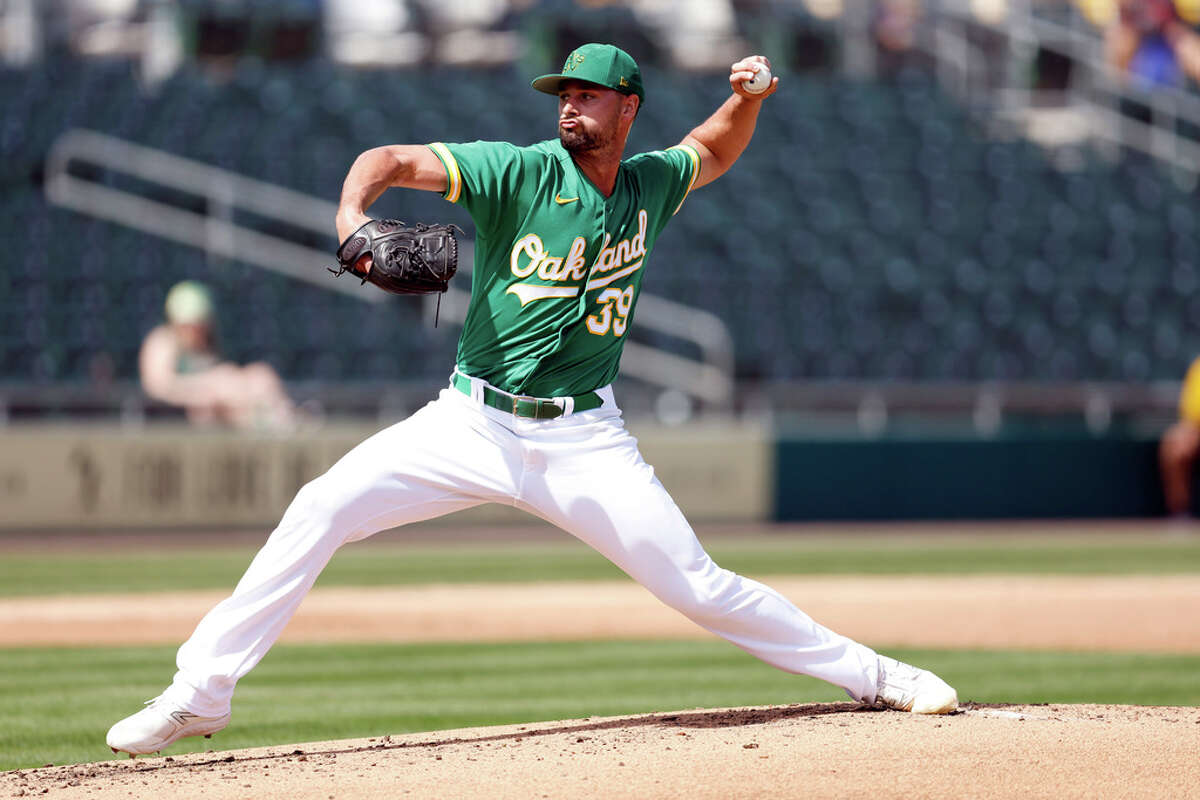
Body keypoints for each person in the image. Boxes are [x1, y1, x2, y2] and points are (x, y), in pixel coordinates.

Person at [106, 43, 958, 757]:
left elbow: (715, 147)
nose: (569, 107)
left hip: (585, 438)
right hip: (469, 420)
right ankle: (201, 692)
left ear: (628, 109)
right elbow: (393, 161)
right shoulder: (515, 172)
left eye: (588, 96)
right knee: (320, 505)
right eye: (564, 94)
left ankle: (878, 676)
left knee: (699, 586)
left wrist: (755, 96)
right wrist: (349, 214)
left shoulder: (647, 185)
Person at [139, 280, 302, 431]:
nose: (195, 331)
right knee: (226, 389)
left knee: (261, 376)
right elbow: (158, 387)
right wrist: (209, 388)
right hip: (182, 414)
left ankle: (285, 422)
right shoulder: (162, 341)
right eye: (188, 325)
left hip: (216, 404)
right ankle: (270, 424)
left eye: (199, 325)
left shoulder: (205, 345)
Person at [1103, 0, 1200, 89]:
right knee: (1120, 40)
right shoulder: (1125, 18)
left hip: (1170, 34)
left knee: (1190, 51)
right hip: (1145, 49)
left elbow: (1174, 29)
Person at [1160, 356, 1200, 517]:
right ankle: (1180, 513)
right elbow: (1190, 411)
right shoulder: (1198, 367)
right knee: (1174, 445)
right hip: (1196, 429)